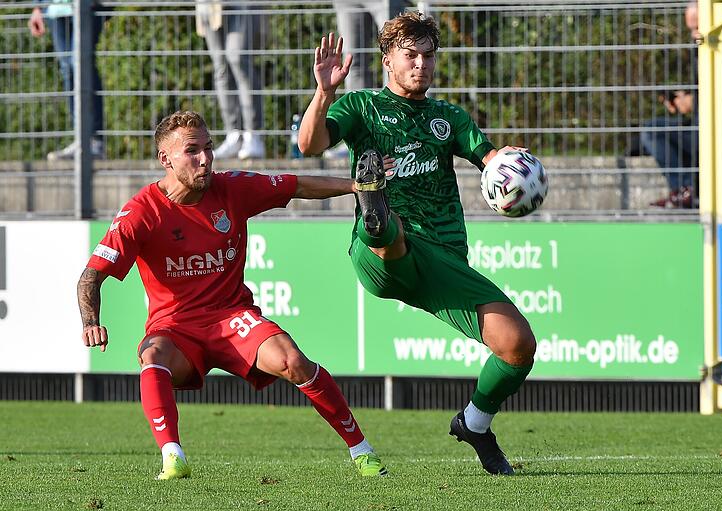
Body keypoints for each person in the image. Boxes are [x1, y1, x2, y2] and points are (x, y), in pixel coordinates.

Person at [76, 110, 387, 479]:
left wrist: (356, 187)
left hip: (231, 317)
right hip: (177, 327)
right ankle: (173, 457)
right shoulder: (140, 212)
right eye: (192, 151)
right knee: (151, 355)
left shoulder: (232, 188)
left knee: (293, 361)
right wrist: (91, 321)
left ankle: (362, 451)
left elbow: (297, 184)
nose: (206, 158)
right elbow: (91, 276)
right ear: (166, 159)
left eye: (209, 148)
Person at [298, 13, 536, 476]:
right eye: (410, 56)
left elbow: (490, 160)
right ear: (388, 59)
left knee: (517, 345)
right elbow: (310, 145)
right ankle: (375, 207)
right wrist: (325, 92)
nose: (421, 65)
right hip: (381, 255)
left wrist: (514, 171)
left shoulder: (449, 117)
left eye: (428, 56)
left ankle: (475, 423)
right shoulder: (362, 107)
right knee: (387, 225)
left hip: (442, 258)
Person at [28, 0, 106, 160]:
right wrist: (38, 7)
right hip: (56, 9)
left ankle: (95, 140)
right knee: (68, 70)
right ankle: (80, 139)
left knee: (81, 66)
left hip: (87, 6)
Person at [642, 1, 700, 209]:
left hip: (710, 132)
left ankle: (684, 190)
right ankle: (683, 190)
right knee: (654, 128)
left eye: (697, 27)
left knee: (652, 130)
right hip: (696, 125)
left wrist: (690, 100)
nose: (693, 33)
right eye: (690, 28)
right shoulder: (698, 48)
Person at [195, 1, 265, 159]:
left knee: (238, 58)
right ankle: (233, 135)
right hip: (209, 5)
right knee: (221, 67)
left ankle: (253, 135)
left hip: (239, 4)